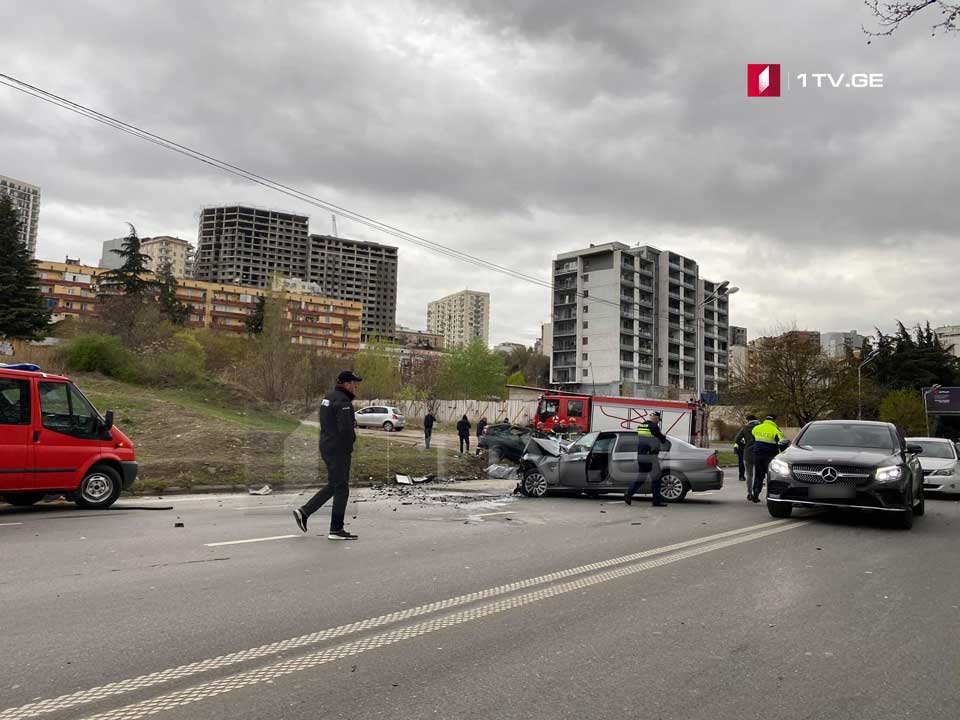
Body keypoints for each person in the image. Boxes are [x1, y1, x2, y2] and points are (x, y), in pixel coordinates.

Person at [293, 371, 362, 540]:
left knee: (334, 485)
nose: (355, 386)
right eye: (354, 383)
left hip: (327, 446)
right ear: (346, 384)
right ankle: (336, 529)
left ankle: (304, 511)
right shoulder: (343, 401)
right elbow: (345, 430)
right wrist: (350, 443)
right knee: (342, 488)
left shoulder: (329, 397)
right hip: (338, 450)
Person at [624, 411, 670, 507]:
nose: (658, 422)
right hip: (650, 456)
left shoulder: (641, 426)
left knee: (641, 477)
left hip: (641, 455)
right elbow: (662, 439)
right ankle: (656, 501)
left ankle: (629, 493)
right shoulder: (654, 427)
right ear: (656, 418)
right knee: (656, 478)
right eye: (658, 420)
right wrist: (663, 436)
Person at [750, 414, 784, 503]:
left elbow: (754, 439)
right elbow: (781, 443)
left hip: (757, 455)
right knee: (771, 476)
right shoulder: (775, 430)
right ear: (774, 420)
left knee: (758, 475)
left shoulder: (756, 428)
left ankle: (756, 492)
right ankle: (770, 496)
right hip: (770, 456)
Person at [733, 415, 760, 483]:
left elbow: (736, 439)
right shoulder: (760, 427)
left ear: (748, 420)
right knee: (758, 465)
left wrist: (743, 443)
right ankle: (758, 480)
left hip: (746, 448)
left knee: (744, 463)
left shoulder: (745, 428)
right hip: (759, 449)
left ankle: (743, 477)